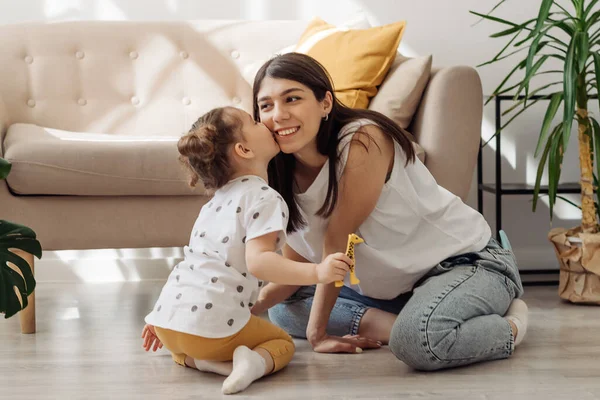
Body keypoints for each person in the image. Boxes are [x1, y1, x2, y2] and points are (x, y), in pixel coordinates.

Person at [249, 52, 529, 371]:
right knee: (284, 309)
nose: (279, 115)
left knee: (415, 345)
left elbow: (339, 239)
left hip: (467, 264)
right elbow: (296, 266)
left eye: (292, 99)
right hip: (396, 291)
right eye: (266, 105)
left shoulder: (364, 139)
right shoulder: (280, 173)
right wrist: (241, 311)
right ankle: (405, 325)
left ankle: (510, 325)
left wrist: (318, 334)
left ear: (325, 103)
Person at [141, 106, 353, 394]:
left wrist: (160, 319)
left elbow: (193, 265)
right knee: (282, 345)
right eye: (254, 122)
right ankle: (250, 364)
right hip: (208, 328)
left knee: (185, 350)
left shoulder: (214, 203)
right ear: (244, 149)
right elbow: (260, 262)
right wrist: (318, 271)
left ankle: (213, 365)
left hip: (168, 325)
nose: (264, 123)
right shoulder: (263, 196)